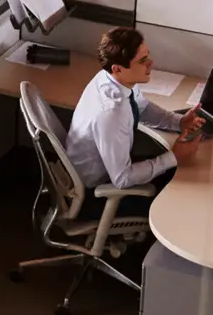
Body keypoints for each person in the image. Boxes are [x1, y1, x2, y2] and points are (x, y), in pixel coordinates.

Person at [64, 27, 203, 212]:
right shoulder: (111, 112)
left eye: (148, 56)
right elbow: (122, 179)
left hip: (111, 170)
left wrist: (178, 121)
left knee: (177, 173)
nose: (151, 63)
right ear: (118, 68)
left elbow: (142, 107)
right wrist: (174, 156)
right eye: (142, 61)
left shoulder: (113, 79)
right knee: (181, 196)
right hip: (99, 194)